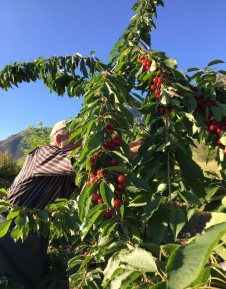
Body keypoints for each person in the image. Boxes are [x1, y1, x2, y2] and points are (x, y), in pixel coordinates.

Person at [0, 120, 143, 288]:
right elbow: (90, 162)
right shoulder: (43, 153)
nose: (82, 144)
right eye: (77, 139)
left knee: (30, 278)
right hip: (10, 225)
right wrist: (132, 148)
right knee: (14, 280)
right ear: (59, 138)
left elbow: (95, 174)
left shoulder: (65, 173)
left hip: (36, 229)